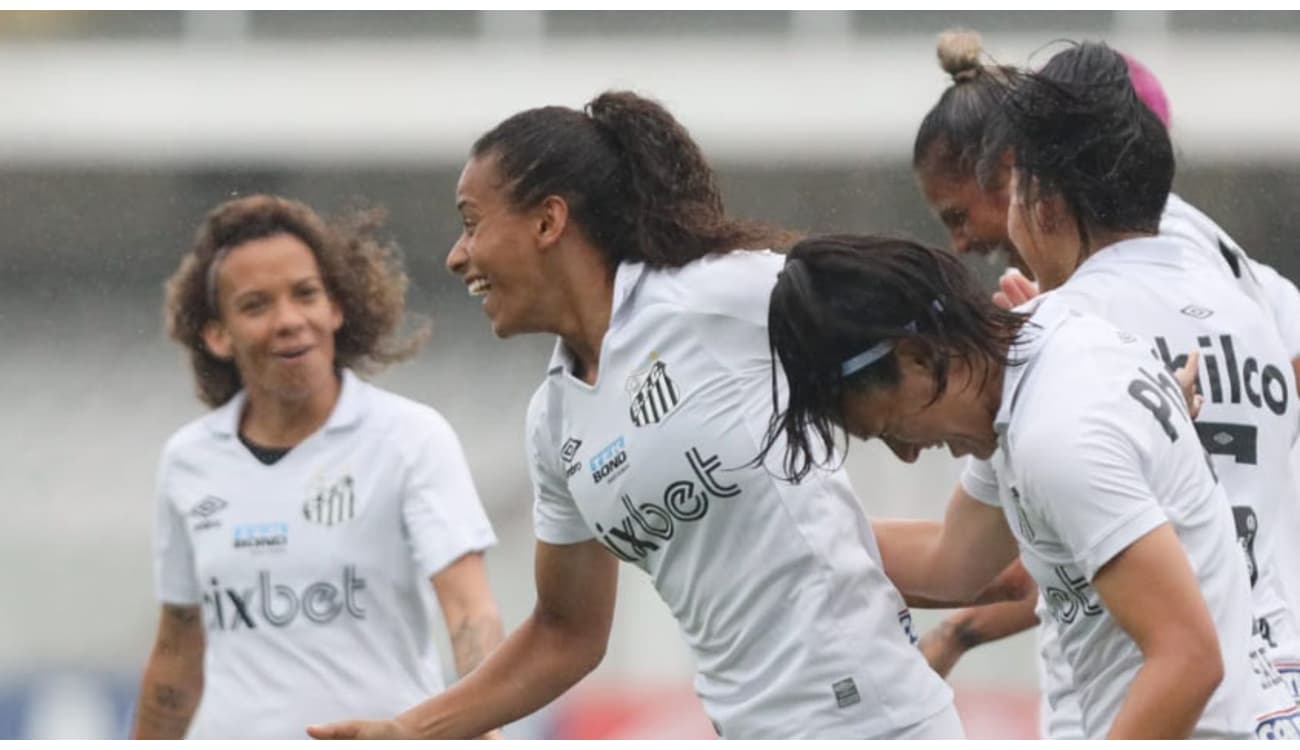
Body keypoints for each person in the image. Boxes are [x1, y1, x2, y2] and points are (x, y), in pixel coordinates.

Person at [306, 90, 962, 740]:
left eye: (472, 223)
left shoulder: (715, 297)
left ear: (547, 221)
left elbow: (905, 297)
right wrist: (409, 729)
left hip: (879, 722)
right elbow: (565, 634)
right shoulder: (555, 420)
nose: (456, 255)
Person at [910, 30, 1300, 738]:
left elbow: (962, 560)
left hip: (1142, 709)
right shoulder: (1255, 308)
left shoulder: (1058, 340)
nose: (965, 242)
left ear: (1040, 198)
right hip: (1276, 700)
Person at [761, 232, 1269, 738]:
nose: (908, 454)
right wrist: (780, 540)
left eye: (893, 428)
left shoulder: (1057, 434)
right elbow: (951, 560)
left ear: (918, 357)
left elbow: (1188, 659)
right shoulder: (1029, 360)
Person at [130, 195, 503, 739]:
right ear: (218, 334)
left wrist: (485, 727)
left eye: (306, 294)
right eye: (256, 305)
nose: (289, 321)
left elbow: (470, 613)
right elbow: (177, 652)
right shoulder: (189, 461)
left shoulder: (408, 438)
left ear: (336, 306)